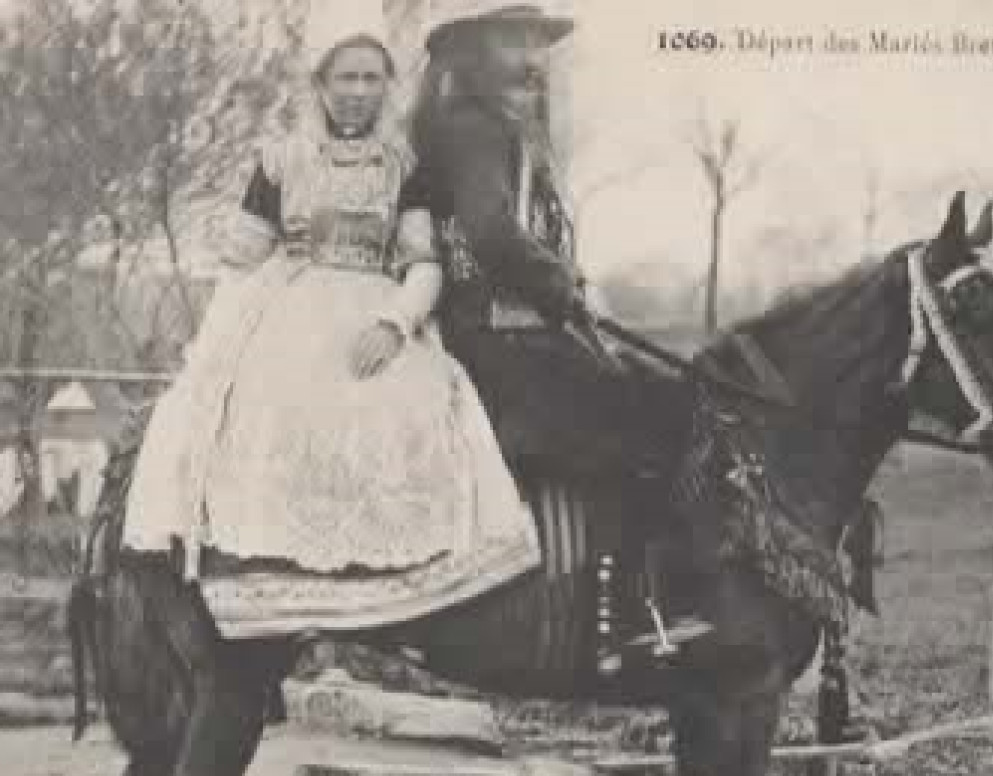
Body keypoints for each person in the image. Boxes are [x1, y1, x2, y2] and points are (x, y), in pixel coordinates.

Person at [121, 0, 541, 640]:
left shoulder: (404, 168)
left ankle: (384, 589)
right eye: (345, 78)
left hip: (374, 301)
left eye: (372, 79)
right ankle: (263, 569)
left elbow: (423, 264)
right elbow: (251, 250)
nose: (358, 93)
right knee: (260, 409)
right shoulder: (281, 160)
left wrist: (394, 325)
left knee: (412, 406)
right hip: (287, 302)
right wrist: (227, 247)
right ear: (319, 83)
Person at [409, 0, 708, 662]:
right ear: (471, 53)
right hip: (496, 342)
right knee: (639, 426)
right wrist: (557, 283)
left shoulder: (506, 132)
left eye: (537, 43)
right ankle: (625, 612)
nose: (530, 59)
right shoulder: (471, 130)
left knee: (672, 395)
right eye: (512, 41)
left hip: (527, 333)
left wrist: (566, 290)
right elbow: (489, 234)